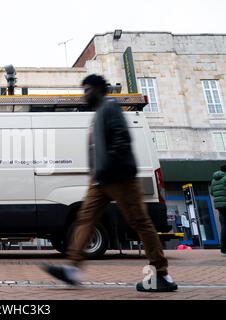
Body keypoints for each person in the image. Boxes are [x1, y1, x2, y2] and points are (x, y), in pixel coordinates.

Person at [43, 74, 178, 292]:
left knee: (140, 222)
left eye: (87, 90)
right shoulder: (98, 114)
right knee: (85, 220)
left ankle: (162, 274)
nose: (84, 95)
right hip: (100, 181)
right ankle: (73, 269)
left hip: (119, 178)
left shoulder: (111, 107)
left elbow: (121, 139)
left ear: (98, 90)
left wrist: (109, 168)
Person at [210, 165, 226, 256]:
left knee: (224, 225)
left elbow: (212, 192)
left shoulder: (214, 180)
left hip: (219, 205)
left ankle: (223, 249)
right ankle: (224, 249)